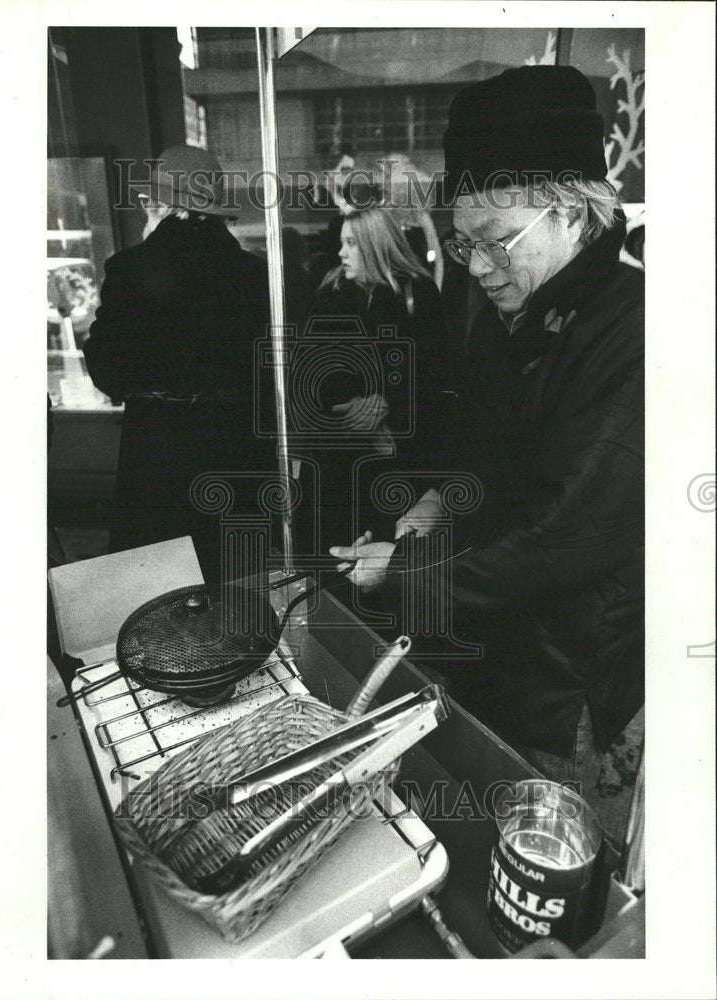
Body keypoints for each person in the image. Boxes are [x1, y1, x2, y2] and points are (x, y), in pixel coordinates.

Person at [330, 66, 644, 821]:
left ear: (573, 215)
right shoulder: (511, 312)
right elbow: (489, 453)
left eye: (496, 242)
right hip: (492, 639)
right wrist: (438, 502)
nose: (476, 266)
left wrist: (407, 573)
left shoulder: (635, 331)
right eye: (466, 243)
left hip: (568, 677)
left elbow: (566, 535)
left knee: (543, 845)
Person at [83, 144, 272, 582]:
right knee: (238, 591)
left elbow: (107, 369)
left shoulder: (130, 268)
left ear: (163, 206)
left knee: (157, 600)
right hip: (238, 453)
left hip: (158, 455)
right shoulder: (253, 273)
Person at [297, 206, 447, 555]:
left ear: (376, 245)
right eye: (341, 243)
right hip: (337, 460)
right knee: (330, 554)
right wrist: (349, 406)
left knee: (389, 557)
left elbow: (437, 376)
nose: (341, 252)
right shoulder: (330, 296)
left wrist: (387, 404)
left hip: (403, 458)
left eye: (351, 243)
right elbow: (308, 371)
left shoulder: (418, 296)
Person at [379, 153, 445, 291]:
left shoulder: (420, 215)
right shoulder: (386, 214)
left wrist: (436, 289)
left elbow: (436, 257)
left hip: (415, 282)